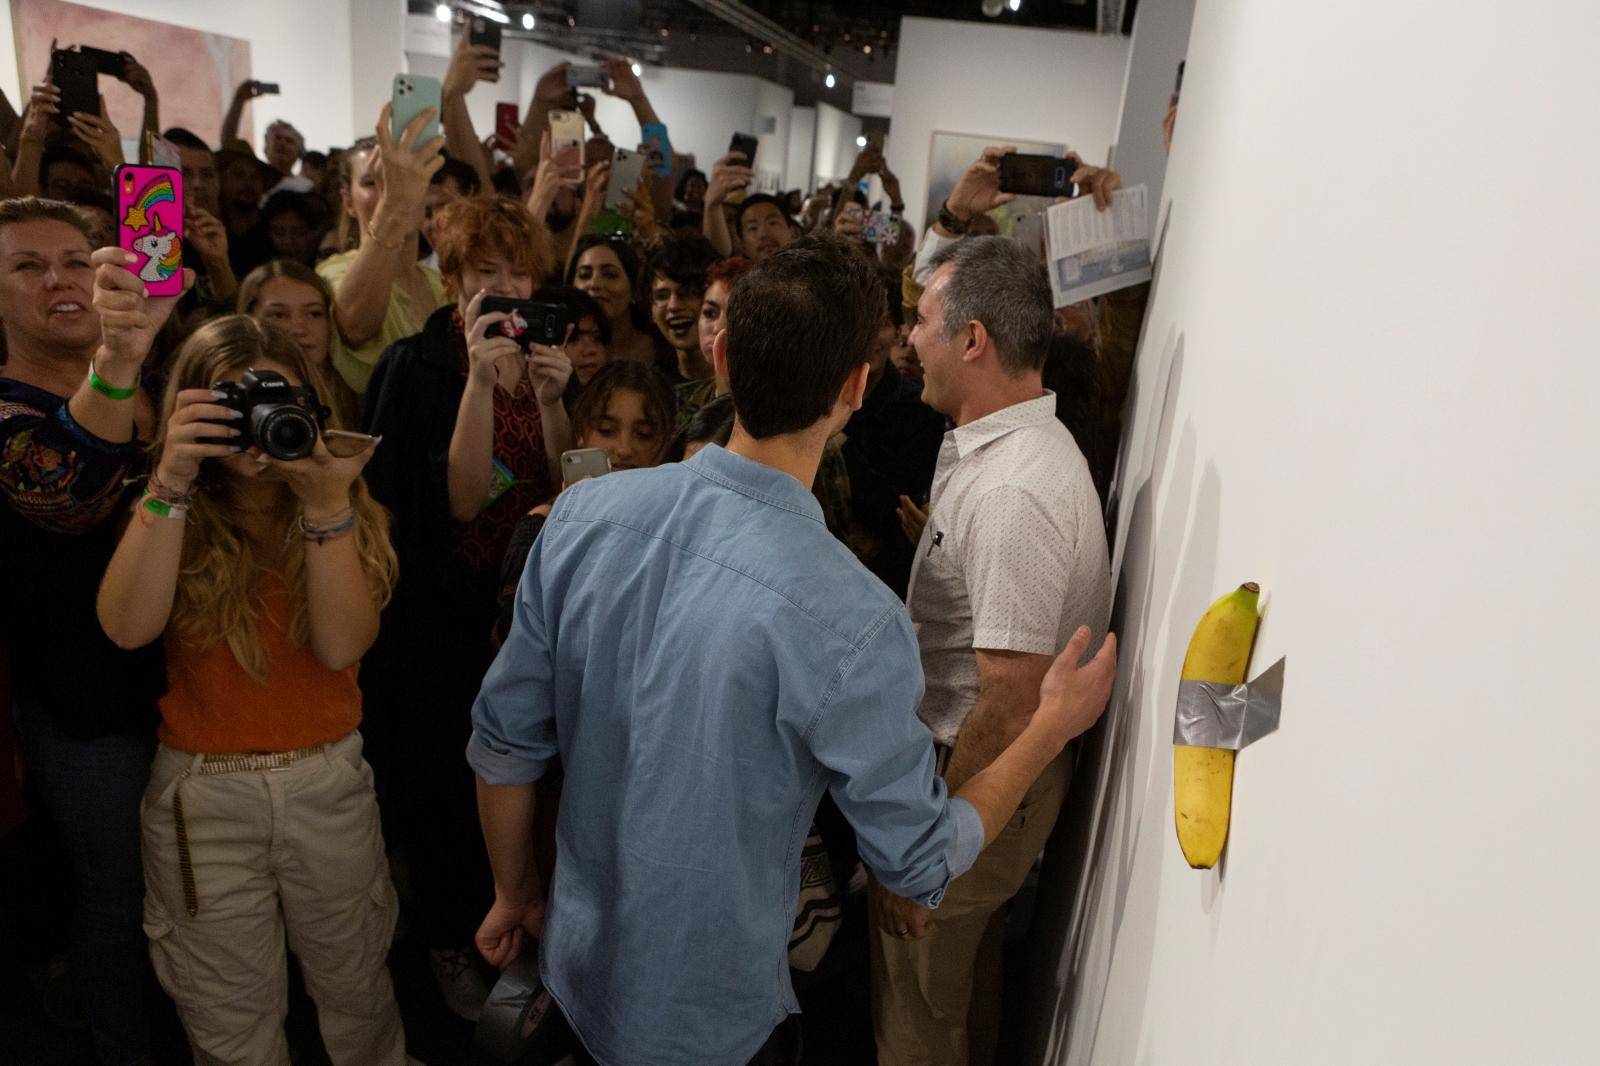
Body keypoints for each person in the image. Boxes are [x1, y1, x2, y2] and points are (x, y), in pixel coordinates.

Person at [467, 234, 1118, 1065]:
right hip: (716, 1017)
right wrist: (1048, 728)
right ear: (856, 386)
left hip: (576, 964)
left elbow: (504, 746)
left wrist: (515, 891)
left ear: (723, 356)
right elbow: (919, 859)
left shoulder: (582, 517)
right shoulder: (853, 615)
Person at [95, 314, 406, 1065]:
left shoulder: (344, 501)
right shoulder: (168, 508)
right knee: (229, 1026)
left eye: (278, 401)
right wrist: (170, 478)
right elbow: (127, 629)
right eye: (232, 407)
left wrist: (325, 503)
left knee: (359, 997)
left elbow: (341, 647)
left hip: (325, 776)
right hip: (204, 794)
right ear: (190, 413)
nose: (260, 424)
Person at [869, 236, 1113, 1066]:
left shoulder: (1013, 491)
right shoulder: (1000, 453)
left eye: (925, 320)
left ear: (973, 340)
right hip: (976, 773)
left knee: (918, 1012)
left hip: (974, 775)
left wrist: (923, 849)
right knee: (959, 988)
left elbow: (1007, 700)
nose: (910, 337)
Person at [359, 192, 572, 1022]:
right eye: (489, 272)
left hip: (537, 614)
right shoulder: (417, 367)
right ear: (453, 281)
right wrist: (483, 384)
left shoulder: (552, 358)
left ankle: (528, 929)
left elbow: (576, 486)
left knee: (532, 785)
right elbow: (459, 500)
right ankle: (452, 940)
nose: (509, 286)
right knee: (454, 786)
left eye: (520, 270)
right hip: (444, 625)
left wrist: (555, 402)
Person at [0, 196, 189, 1066]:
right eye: (27, 267)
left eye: (75, 259)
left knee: (196, 892)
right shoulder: (9, 407)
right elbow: (60, 493)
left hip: (198, 686)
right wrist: (117, 355)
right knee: (118, 898)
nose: (59, 280)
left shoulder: (154, 377)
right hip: (88, 710)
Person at [318, 103, 447, 395]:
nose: (394, 188)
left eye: (404, 178)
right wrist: (394, 205)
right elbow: (357, 328)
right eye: (372, 182)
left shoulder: (439, 282)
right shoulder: (334, 272)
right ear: (348, 202)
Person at [839, 279, 948, 599]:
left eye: (882, 324)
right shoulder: (822, 401)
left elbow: (902, 508)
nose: (872, 336)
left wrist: (840, 445)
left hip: (891, 582)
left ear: (898, 331)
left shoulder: (919, 408)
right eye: (861, 324)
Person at [238, 258, 359, 425]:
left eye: (314, 314)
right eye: (279, 315)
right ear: (249, 320)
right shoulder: (235, 399)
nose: (299, 329)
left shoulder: (360, 398)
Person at [678, 254, 751, 424]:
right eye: (710, 313)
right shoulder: (676, 402)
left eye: (735, 317)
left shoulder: (782, 414)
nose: (718, 329)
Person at [567, 234, 661, 368]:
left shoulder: (661, 349)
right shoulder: (560, 349)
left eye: (610, 275)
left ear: (634, 288)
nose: (594, 284)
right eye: (585, 275)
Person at [644, 236, 719, 385]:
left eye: (687, 292)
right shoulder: (651, 388)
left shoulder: (747, 381)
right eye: (662, 296)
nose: (673, 305)